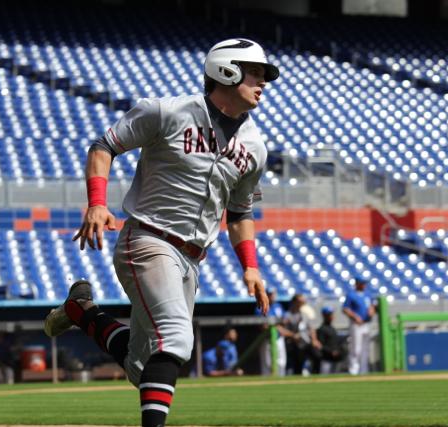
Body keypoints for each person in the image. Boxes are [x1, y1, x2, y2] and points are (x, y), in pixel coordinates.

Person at [44, 38, 277, 427]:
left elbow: (240, 212)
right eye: (255, 72)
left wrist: (250, 267)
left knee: (143, 367)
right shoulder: (167, 112)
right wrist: (98, 204)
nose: (263, 82)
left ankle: (82, 313)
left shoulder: (255, 146)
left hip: (192, 258)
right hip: (148, 240)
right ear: (226, 70)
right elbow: (103, 146)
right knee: (176, 339)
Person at [342, 278, 376, 375]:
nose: (364, 285)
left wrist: (371, 311)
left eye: (364, 283)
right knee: (356, 348)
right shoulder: (351, 295)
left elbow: (372, 306)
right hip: (356, 324)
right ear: (357, 284)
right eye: (362, 283)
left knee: (365, 348)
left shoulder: (367, 294)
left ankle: (364, 370)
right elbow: (345, 308)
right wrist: (354, 316)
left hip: (366, 323)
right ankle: (353, 370)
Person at [283, 294, 321, 375]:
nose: (302, 303)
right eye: (300, 302)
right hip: (294, 342)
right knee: (297, 364)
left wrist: (314, 340)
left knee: (317, 355)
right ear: (294, 302)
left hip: (306, 341)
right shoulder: (288, 315)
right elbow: (282, 329)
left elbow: (311, 328)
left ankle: (316, 375)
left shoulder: (304, 313)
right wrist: (293, 335)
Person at [257, 288, 292, 376]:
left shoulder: (278, 306)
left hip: (279, 338)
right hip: (267, 339)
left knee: (281, 362)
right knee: (267, 363)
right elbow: (263, 325)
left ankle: (281, 382)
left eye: (273, 294)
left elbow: (285, 321)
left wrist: (280, 326)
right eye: (269, 294)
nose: (271, 296)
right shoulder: (261, 306)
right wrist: (277, 326)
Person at [315, 306, 347, 374]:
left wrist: (338, 351)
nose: (331, 316)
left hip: (335, 359)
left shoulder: (332, 328)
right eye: (329, 315)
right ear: (324, 316)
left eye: (331, 314)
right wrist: (331, 352)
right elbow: (320, 345)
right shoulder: (322, 329)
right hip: (326, 359)